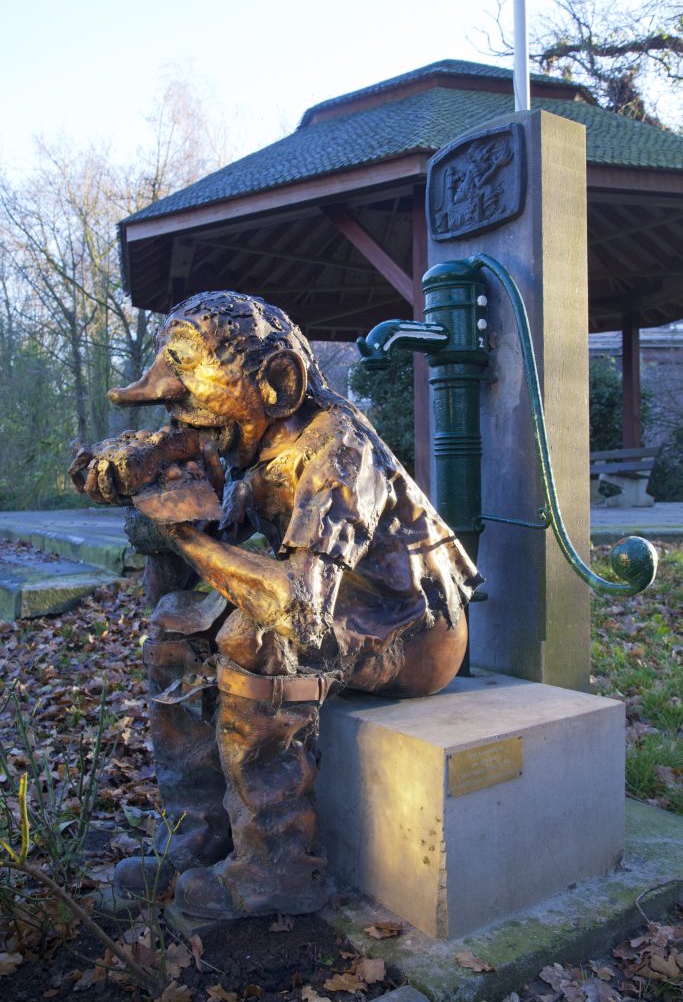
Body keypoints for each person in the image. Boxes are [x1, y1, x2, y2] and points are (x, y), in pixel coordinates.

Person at [70, 290, 481, 920]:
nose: (188, 428)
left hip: (415, 632)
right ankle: (197, 833)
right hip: (343, 604)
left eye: (197, 410)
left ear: (278, 382)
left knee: (254, 636)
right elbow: (193, 577)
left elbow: (300, 608)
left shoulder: (337, 451)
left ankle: (277, 863)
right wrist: (158, 506)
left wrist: (184, 532)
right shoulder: (251, 447)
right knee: (176, 624)